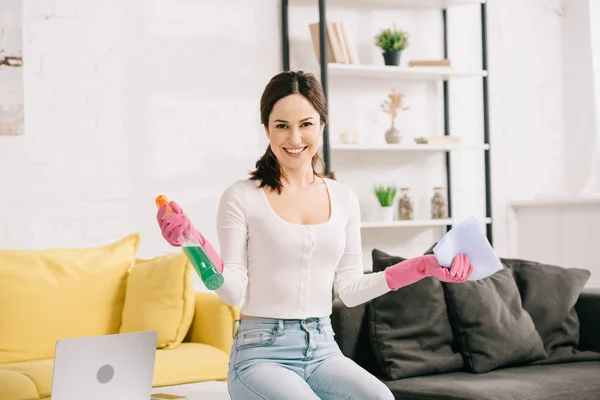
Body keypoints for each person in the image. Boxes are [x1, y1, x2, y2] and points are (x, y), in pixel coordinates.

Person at [156, 70, 474, 400]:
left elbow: (350, 289)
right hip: (260, 354)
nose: (294, 138)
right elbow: (232, 290)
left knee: (381, 398)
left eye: (305, 124)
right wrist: (191, 241)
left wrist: (425, 266)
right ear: (266, 129)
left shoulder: (344, 198)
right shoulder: (242, 196)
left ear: (322, 125)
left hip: (323, 348)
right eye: (282, 125)